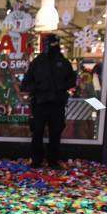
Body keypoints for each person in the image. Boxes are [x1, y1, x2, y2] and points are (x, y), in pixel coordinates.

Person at [21, 34, 76, 169]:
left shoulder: (64, 63)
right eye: (49, 44)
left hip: (57, 104)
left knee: (55, 133)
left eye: (54, 44)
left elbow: (72, 80)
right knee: (37, 132)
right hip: (40, 103)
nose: (52, 47)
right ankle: (37, 160)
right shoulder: (38, 62)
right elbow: (25, 84)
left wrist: (61, 87)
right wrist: (40, 88)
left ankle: (52, 160)